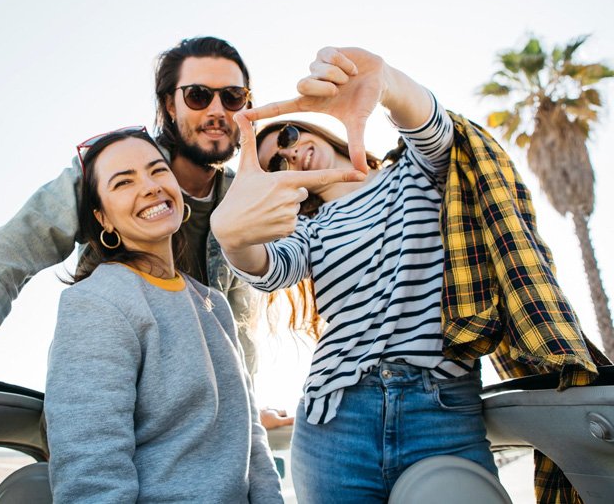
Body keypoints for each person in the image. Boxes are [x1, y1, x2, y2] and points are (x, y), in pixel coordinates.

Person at [0, 36, 354, 426]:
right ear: (170, 104)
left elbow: (243, 325)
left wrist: (243, 407)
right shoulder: (113, 177)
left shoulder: (246, 198)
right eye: (198, 96)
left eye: (232, 99)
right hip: (117, 412)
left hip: (207, 431)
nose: (217, 111)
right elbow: (15, 247)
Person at [209, 47, 497, 502]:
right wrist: (233, 239)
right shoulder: (308, 230)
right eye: (275, 165)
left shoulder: (414, 173)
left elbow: (439, 135)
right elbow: (268, 268)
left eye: (286, 135)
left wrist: (389, 83)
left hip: (440, 405)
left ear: (310, 127)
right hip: (335, 418)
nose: (290, 153)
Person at [44, 126, 282, 502]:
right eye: (123, 182)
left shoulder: (214, 304)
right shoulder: (96, 301)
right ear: (102, 218)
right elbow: (90, 468)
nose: (150, 186)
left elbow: (250, 438)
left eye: (157, 170)